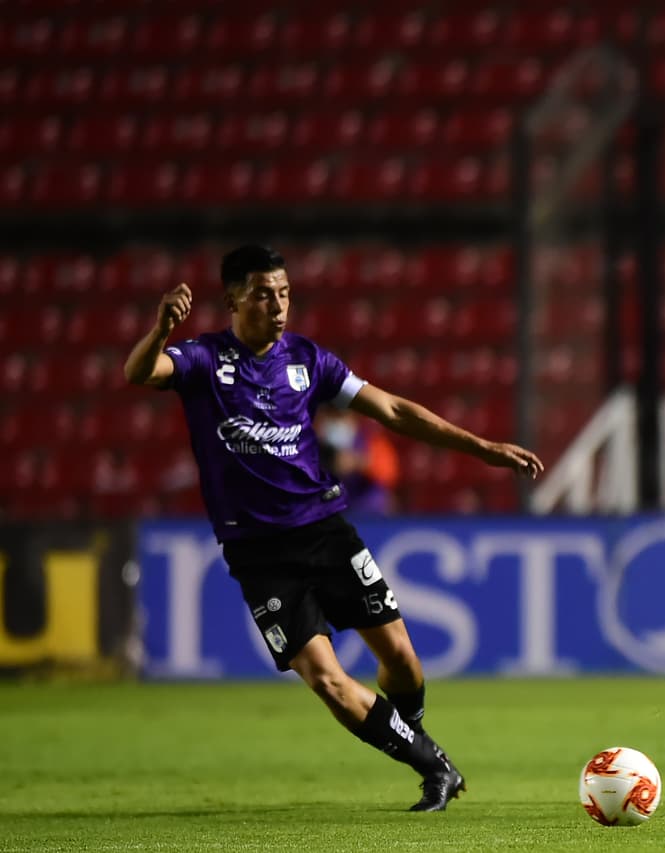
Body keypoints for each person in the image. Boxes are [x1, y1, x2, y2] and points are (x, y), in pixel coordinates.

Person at [122, 244, 544, 812]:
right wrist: (159, 331)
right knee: (326, 679)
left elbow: (390, 409)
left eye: (285, 293)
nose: (278, 305)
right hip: (257, 553)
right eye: (263, 294)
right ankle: (432, 765)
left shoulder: (308, 359)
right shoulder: (202, 359)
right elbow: (141, 371)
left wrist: (483, 447)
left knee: (400, 659)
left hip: (325, 531)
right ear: (232, 301)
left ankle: (410, 737)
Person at [316, 407, 401, 515]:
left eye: (341, 416)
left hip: (366, 514)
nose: (337, 421)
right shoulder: (312, 444)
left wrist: (360, 463)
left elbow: (389, 474)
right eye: (332, 416)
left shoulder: (371, 440)